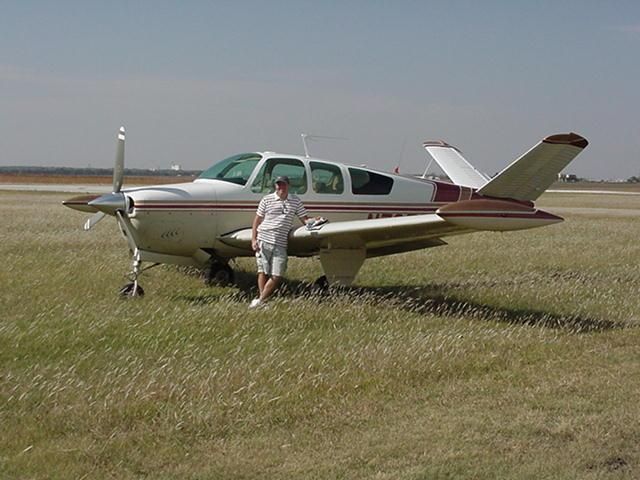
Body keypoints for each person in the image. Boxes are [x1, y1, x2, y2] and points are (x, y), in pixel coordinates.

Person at [249, 176, 312, 308]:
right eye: (278, 185)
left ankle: (259, 301)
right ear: (275, 186)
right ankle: (263, 302)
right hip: (264, 238)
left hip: (280, 242)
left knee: (277, 274)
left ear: (288, 186)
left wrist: (314, 221)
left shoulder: (295, 201)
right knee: (263, 271)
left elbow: (305, 219)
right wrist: (254, 239)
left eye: (283, 185)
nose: (280, 187)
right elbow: (257, 220)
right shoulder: (267, 199)